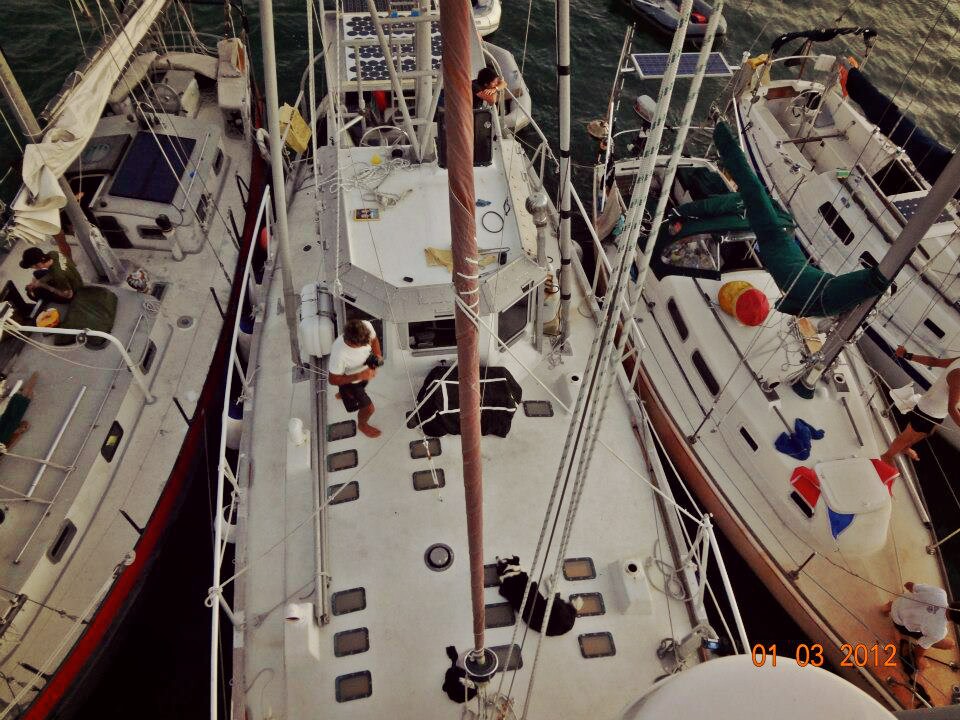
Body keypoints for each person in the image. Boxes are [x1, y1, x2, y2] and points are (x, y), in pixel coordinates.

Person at [880, 345, 960, 464]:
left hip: (937, 412)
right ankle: (887, 456)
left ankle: (905, 448)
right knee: (907, 436)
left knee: (925, 433)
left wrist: (907, 355)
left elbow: (934, 362)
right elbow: (952, 408)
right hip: (928, 411)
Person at [881, 581, 960, 669]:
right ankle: (899, 633)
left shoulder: (940, 593)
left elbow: (910, 585)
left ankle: (889, 606)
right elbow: (921, 647)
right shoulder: (940, 632)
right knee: (950, 644)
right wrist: (918, 659)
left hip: (898, 602)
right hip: (899, 622)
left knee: (929, 629)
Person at [328, 319, 383, 438]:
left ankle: (343, 394)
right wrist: (359, 376)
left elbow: (374, 340)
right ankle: (362, 424)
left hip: (366, 371)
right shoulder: (339, 353)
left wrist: (378, 356)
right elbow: (332, 380)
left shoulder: (366, 325)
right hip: (351, 381)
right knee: (369, 409)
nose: (366, 346)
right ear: (350, 341)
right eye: (362, 345)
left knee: (358, 387)